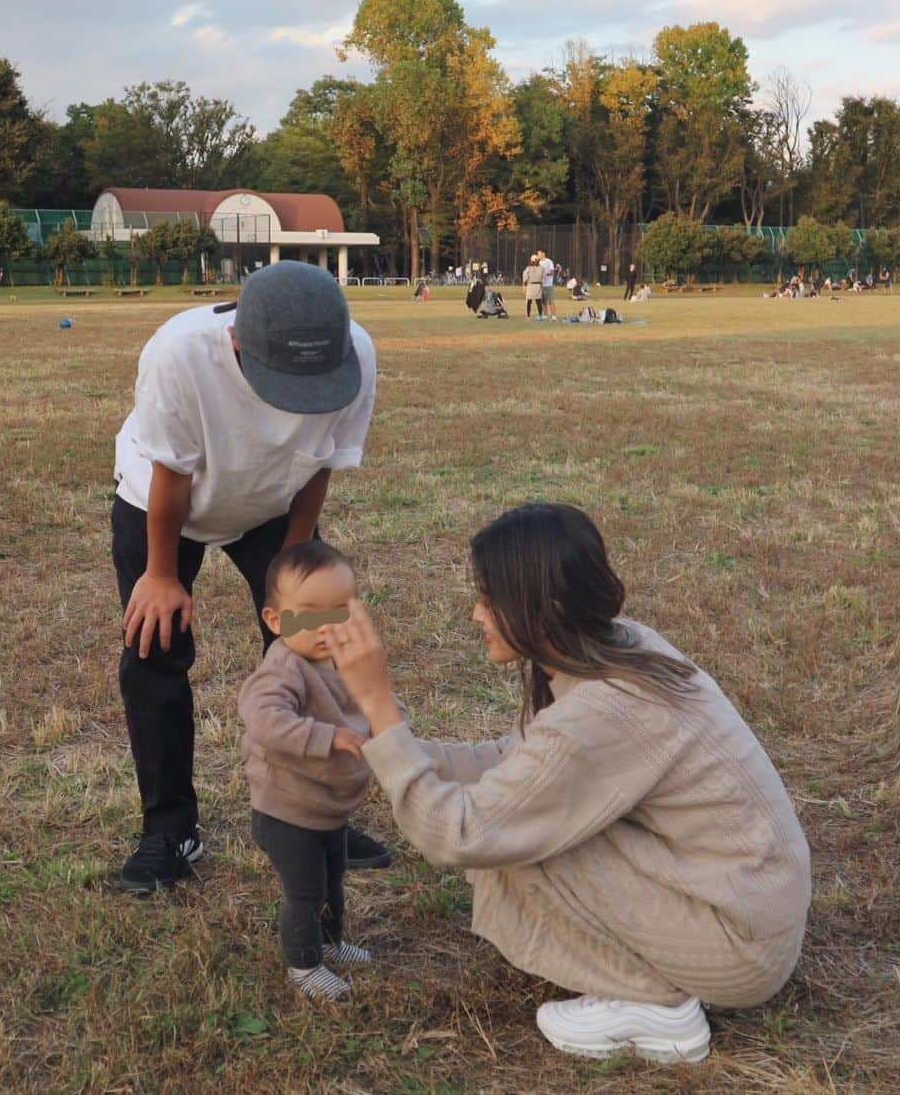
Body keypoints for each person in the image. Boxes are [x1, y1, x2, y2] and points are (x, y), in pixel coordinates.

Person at [324, 504, 811, 1066]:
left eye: (490, 597)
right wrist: (380, 748)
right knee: (523, 817)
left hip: (741, 946)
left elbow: (459, 832)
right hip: (748, 905)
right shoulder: (619, 645)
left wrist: (377, 704)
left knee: (515, 845)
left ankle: (657, 1005)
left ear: (545, 610)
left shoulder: (607, 711)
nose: (475, 613)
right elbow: (513, 763)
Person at [111, 261, 387, 892]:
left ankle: (316, 816)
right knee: (154, 650)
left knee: (314, 649)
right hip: (162, 506)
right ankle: (170, 829)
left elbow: (322, 464)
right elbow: (171, 477)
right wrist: (160, 573)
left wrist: (293, 566)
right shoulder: (179, 356)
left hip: (274, 507)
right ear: (238, 341)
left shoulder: (358, 355)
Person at [238, 541, 375, 1002]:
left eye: (339, 612)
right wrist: (325, 737)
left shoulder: (343, 662)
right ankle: (304, 965)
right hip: (286, 809)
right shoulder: (285, 667)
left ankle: (333, 942)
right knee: (305, 893)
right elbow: (263, 717)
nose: (324, 626)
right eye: (308, 614)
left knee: (333, 880)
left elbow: (377, 704)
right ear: (275, 621)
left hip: (327, 807)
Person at [522, 255, 544, 319]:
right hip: (531, 285)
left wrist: (541, 286)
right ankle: (528, 316)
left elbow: (543, 277)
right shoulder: (528, 268)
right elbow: (525, 278)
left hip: (537, 285)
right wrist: (524, 287)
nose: (536, 262)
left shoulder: (541, 268)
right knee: (529, 301)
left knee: (538, 301)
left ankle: (540, 315)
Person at [536, 248, 556, 320]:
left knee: (550, 301)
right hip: (541, 285)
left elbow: (552, 272)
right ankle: (545, 315)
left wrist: (545, 274)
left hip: (548, 285)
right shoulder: (538, 262)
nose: (538, 255)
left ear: (543, 254)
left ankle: (554, 316)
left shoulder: (549, 262)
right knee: (543, 301)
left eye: (539, 253)